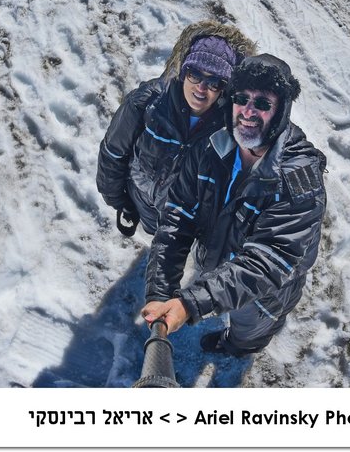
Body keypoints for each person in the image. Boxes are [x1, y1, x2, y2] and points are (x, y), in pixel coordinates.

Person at [140, 54, 327, 356]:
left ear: (282, 111)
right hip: (217, 266)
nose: (248, 111)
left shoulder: (298, 179)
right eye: (241, 98)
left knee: (249, 329)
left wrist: (190, 303)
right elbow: (178, 217)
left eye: (263, 103)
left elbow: (267, 262)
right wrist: (160, 291)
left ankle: (238, 346)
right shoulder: (209, 148)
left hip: (264, 293)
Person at [96, 21, 256, 237]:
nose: (201, 87)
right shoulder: (147, 102)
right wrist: (119, 201)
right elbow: (113, 153)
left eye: (214, 81)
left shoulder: (232, 127)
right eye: (195, 74)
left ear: (224, 88)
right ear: (183, 72)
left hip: (188, 225)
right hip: (143, 205)